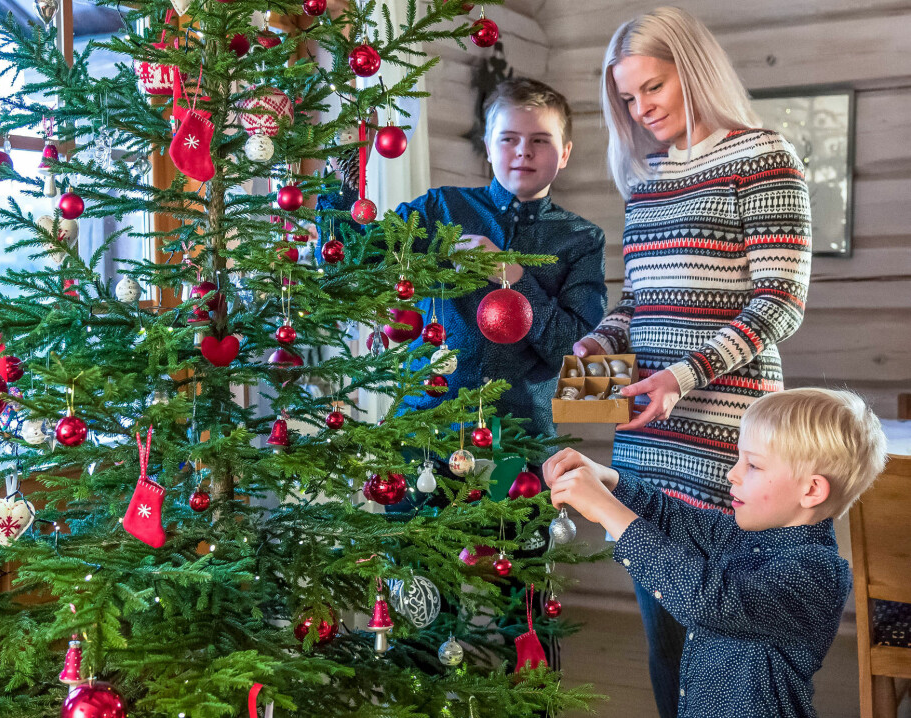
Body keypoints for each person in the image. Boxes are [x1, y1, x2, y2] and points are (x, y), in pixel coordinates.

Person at [570, 8, 813, 714]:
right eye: (627, 98)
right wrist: (601, 340)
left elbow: (779, 303)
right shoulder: (646, 182)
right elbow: (639, 302)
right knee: (665, 642)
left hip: (730, 446)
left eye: (652, 88)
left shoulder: (764, 158)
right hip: (648, 445)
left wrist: (682, 376)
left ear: (694, 70)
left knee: (731, 642)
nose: (641, 110)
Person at [544, 388, 889, 718]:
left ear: (811, 490)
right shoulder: (745, 534)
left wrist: (609, 511)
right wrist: (611, 481)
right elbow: (672, 517)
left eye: (752, 465)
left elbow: (708, 598)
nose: (732, 473)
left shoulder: (817, 573)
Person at [319, 76, 607, 440]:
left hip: (521, 448)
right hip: (424, 435)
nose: (523, 151)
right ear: (488, 146)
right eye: (509, 139)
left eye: (540, 140)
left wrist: (517, 281)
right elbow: (347, 263)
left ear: (564, 152)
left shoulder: (582, 240)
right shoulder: (440, 209)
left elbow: (577, 357)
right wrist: (341, 181)